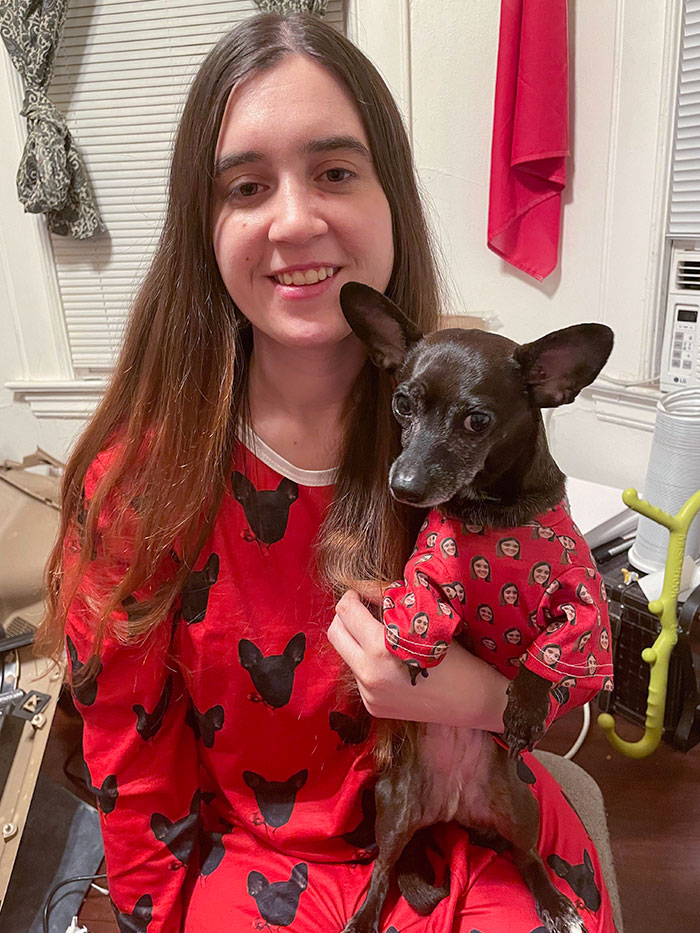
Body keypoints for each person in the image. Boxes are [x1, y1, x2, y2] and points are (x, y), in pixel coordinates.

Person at [38, 12, 618, 933]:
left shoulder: (481, 430)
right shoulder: (141, 488)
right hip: (260, 866)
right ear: (204, 222)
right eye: (246, 185)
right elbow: (132, 765)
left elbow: (567, 653)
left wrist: (484, 695)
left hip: (473, 840)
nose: (296, 219)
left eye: (336, 172)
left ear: (392, 197)